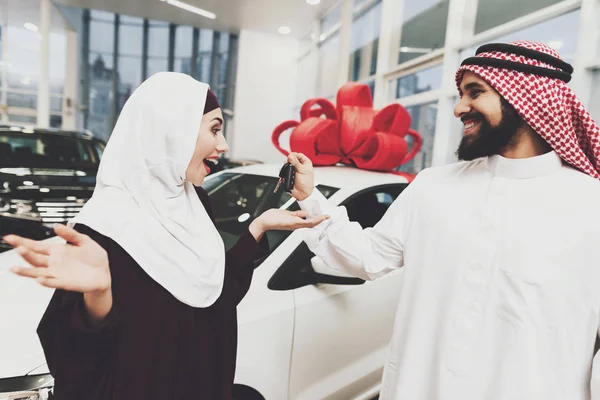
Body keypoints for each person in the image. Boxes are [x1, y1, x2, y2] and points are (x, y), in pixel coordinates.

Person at [286, 41, 600, 400]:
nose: (459, 108)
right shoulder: (434, 187)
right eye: (460, 94)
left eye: (474, 93)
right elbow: (368, 257)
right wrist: (310, 198)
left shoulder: (591, 205)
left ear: (526, 100)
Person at [4, 72, 328, 400]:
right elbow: (73, 356)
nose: (223, 145)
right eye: (215, 129)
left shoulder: (195, 202)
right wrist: (99, 294)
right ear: (172, 130)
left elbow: (214, 294)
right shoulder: (102, 226)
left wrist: (259, 227)